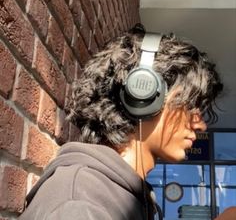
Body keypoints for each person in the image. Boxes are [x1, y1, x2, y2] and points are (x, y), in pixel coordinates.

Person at [19, 25, 223, 220]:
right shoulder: (81, 204)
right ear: (144, 94)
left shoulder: (122, 195)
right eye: (189, 106)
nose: (200, 125)